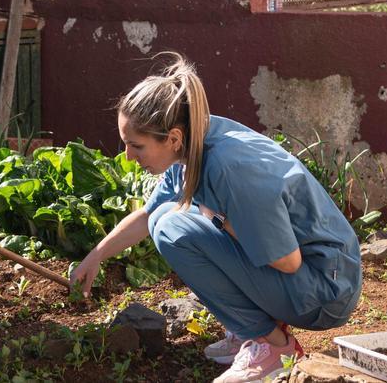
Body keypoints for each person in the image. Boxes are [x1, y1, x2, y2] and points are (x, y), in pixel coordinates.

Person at [71, 53, 361, 383]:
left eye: (136, 146)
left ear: (173, 138)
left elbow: (288, 260)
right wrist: (95, 257)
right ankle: (248, 329)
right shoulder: (193, 144)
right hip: (311, 278)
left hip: (326, 292)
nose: (128, 156)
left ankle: (272, 346)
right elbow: (148, 214)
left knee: (173, 228)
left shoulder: (228, 167)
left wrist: (219, 220)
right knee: (163, 217)